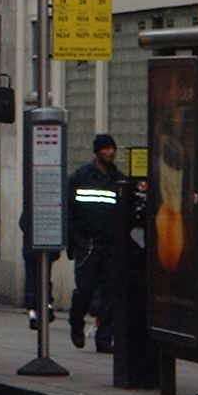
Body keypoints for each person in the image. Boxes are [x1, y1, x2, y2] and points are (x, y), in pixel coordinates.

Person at [67, 133, 122, 352]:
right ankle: (76, 321)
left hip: (110, 244)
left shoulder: (117, 178)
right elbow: (70, 211)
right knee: (85, 289)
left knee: (110, 292)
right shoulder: (80, 177)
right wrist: (74, 242)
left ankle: (104, 338)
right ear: (97, 152)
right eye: (106, 149)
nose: (110, 152)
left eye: (112, 148)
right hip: (87, 244)